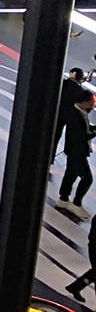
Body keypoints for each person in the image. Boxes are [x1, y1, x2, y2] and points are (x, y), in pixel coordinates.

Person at [63, 91, 96, 219]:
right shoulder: (75, 116)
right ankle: (76, 204)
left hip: (75, 150)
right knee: (87, 178)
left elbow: (86, 128)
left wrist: (93, 128)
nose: (92, 105)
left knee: (71, 174)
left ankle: (63, 199)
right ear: (84, 102)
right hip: (76, 151)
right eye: (91, 103)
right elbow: (83, 136)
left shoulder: (80, 111)